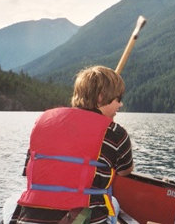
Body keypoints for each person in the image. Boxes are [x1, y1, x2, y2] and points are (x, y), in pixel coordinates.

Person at [9, 65, 134, 224]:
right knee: (114, 204)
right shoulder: (115, 132)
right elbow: (125, 171)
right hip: (83, 218)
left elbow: (30, 169)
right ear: (101, 97)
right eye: (118, 99)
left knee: (11, 201)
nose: (120, 105)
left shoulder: (42, 121)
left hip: (30, 218)